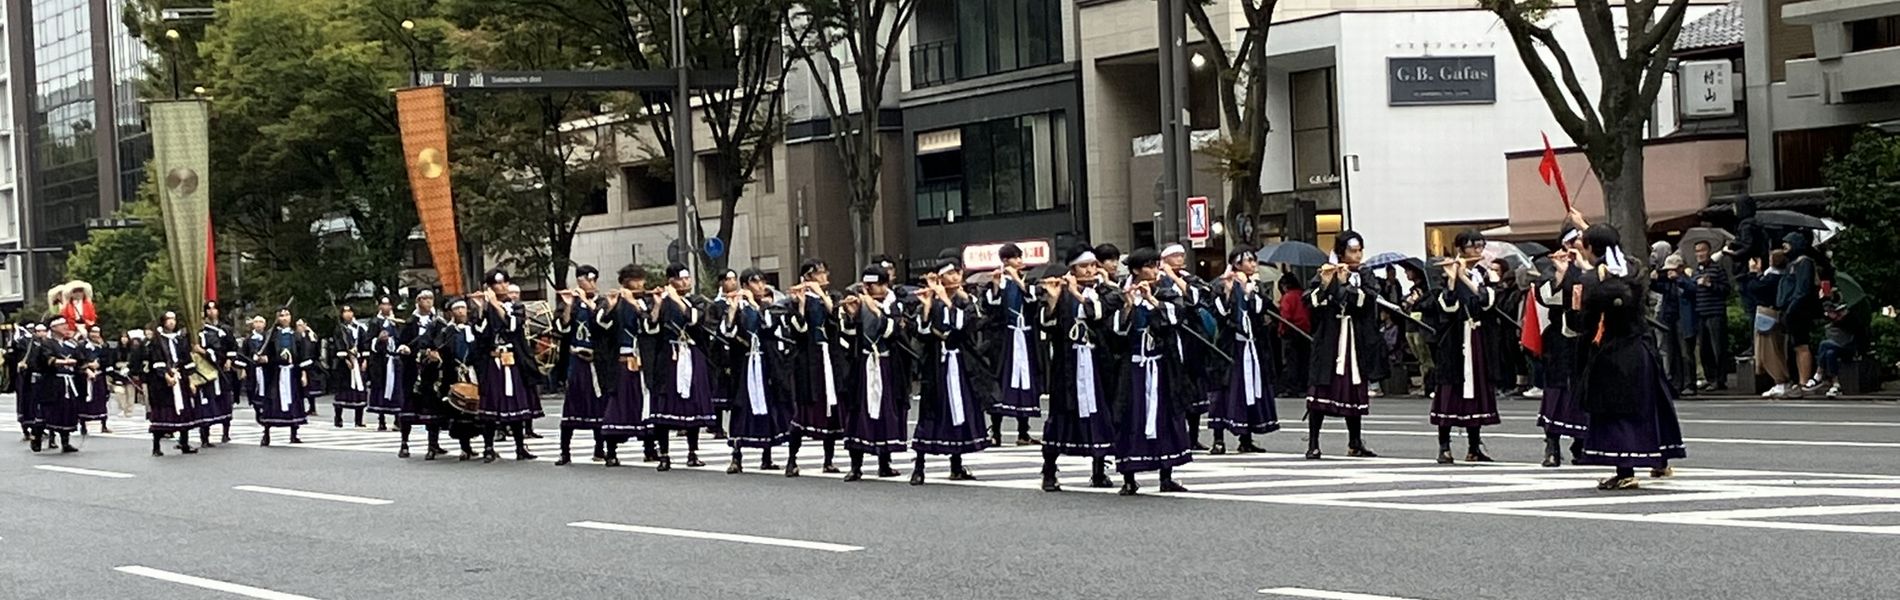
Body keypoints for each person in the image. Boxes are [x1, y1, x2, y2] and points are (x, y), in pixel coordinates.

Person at [1568, 212, 1687, 489]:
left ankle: (1625, 472)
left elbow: (1580, 323)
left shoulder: (1592, 283)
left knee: (1617, 411)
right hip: (1642, 349)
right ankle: (1660, 461)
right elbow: (1614, 252)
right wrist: (1589, 230)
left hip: (1613, 353)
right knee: (1650, 408)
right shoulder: (1633, 271)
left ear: (1587, 249)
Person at [1109, 248, 1192, 495]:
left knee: (1166, 416)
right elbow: (1116, 333)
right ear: (1135, 270)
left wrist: (1154, 301)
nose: (1155, 271)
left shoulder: (1165, 291)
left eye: (1156, 265)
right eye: (1149, 266)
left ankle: (1166, 474)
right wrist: (1128, 305)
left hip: (1161, 365)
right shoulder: (1121, 293)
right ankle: (1128, 476)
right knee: (1130, 416)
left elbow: (1176, 318)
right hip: (1133, 367)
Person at [1038, 245, 1119, 492]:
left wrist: (1079, 292)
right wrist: (1052, 300)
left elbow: (1100, 315)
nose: (1091, 270)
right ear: (1072, 269)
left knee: (1100, 412)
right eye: (1084, 266)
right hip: (1068, 364)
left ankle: (1098, 470)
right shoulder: (1060, 293)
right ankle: (1049, 471)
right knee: (1061, 414)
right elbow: (1046, 325)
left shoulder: (1103, 292)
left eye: (1094, 265)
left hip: (1096, 362)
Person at [1305, 231, 1387, 459]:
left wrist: (1344, 286)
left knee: (1353, 387)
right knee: (1321, 388)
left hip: (1355, 338)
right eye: (1352, 250)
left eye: (1360, 249)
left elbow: (1367, 301)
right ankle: (1313, 443)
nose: (1358, 254)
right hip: (1329, 339)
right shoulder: (1325, 272)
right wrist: (1326, 283)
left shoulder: (1365, 274)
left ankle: (1355, 442)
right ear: (1341, 252)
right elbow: (1311, 302)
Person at [910, 258, 990, 485]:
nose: (956, 277)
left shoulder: (967, 300)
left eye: (958, 272)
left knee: (959, 411)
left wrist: (947, 300)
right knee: (931, 410)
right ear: (940, 277)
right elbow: (921, 333)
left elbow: (969, 325)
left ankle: (956, 465)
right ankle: (919, 466)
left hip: (961, 363)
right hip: (936, 365)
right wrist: (927, 306)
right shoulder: (931, 300)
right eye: (950, 274)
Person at [1422, 256, 1502, 464]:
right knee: (1449, 391)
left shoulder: (1480, 277)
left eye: (1479, 247)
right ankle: (1444, 446)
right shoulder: (1442, 283)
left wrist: (1465, 278)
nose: (1477, 251)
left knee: (1474, 392)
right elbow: (1448, 307)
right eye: (1472, 247)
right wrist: (1451, 279)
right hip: (1453, 344)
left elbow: (1487, 301)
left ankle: (1474, 447)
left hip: (1476, 341)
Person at [839, 265, 911, 482]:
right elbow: (848, 337)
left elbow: (893, 331)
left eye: (873, 286)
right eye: (866, 286)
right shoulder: (859, 303)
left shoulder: (894, 303)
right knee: (858, 410)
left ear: (884, 285)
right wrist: (852, 316)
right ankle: (856, 465)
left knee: (887, 410)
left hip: (887, 362)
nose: (869, 290)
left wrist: (876, 309)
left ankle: (884, 462)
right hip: (863, 363)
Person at [720, 268, 794, 473]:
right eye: (755, 283)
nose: (761, 287)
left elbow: (769, 328)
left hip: (765, 363)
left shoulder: (768, 307)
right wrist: (734, 308)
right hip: (743, 364)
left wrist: (757, 306)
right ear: (745, 286)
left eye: (762, 282)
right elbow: (726, 331)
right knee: (741, 405)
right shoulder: (736, 305)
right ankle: (736, 455)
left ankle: (767, 454)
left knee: (769, 404)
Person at [1206, 247, 1278, 454]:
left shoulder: (1254, 284)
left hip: (1252, 344)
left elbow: (1259, 310)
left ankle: (1246, 437)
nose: (1253, 264)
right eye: (1248, 260)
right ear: (1236, 263)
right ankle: (1218, 439)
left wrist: (1249, 292)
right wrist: (1228, 291)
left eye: (1253, 260)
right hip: (1231, 346)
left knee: (1249, 390)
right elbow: (1220, 314)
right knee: (1224, 390)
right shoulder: (1221, 284)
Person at [647, 263, 718, 470]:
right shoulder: (661, 301)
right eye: (681, 278)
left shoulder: (696, 300)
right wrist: (659, 303)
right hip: (669, 357)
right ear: (671, 280)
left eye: (688, 278)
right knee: (664, 404)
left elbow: (694, 320)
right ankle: (664, 454)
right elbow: (650, 327)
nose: (686, 282)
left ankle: (692, 452)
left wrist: (676, 299)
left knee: (692, 403)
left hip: (691, 353)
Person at [1534, 234, 1589, 467]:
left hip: (1584, 337)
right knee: (1556, 390)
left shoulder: (1591, 266)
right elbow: (1547, 297)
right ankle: (1552, 445)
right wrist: (1561, 272)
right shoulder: (1552, 267)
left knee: (1583, 391)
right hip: (1559, 339)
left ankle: (1581, 444)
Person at [597, 265, 660, 468]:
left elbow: (650, 327)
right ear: (625, 282)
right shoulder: (614, 302)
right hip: (621, 362)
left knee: (646, 405)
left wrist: (653, 304)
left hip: (643, 362)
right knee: (618, 405)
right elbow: (601, 325)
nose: (641, 284)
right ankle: (611, 451)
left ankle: (650, 448)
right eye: (636, 280)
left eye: (642, 279)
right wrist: (613, 305)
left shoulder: (643, 302)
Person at [787, 259, 845, 476]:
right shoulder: (797, 300)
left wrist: (822, 295)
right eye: (820, 273)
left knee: (831, 405)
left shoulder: (830, 298)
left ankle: (828, 460)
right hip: (808, 359)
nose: (824, 276)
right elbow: (798, 330)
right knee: (805, 407)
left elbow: (835, 321)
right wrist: (800, 304)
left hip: (828, 355)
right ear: (809, 276)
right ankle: (792, 460)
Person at [472, 270, 538, 460]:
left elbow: (513, 326)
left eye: (504, 282)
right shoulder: (486, 307)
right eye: (496, 284)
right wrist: (482, 308)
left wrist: (494, 304)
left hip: (513, 359)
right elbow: (480, 332)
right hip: (493, 361)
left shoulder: (516, 307)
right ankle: (488, 447)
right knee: (491, 405)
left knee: (516, 404)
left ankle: (520, 447)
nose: (502, 286)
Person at [983, 243, 1042, 446]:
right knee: (1000, 380)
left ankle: (1023, 432)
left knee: (1025, 380)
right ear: (1006, 261)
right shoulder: (997, 283)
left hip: (1024, 338)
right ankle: (996, 432)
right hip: (1004, 340)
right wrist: (996, 285)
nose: (1019, 261)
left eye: (1019, 257)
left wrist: (1018, 280)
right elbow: (991, 308)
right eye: (1015, 258)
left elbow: (1033, 302)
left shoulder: (1028, 282)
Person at [1156, 243, 1213, 450]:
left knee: (1194, 386)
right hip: (1169, 337)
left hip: (1191, 338)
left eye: (1181, 255)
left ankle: (1193, 436)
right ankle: (1174, 435)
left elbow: (1197, 298)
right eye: (1175, 256)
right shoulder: (1157, 280)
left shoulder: (1189, 278)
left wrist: (1176, 278)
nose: (1180, 259)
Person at [554, 266, 612, 466]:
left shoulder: (604, 302)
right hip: (576, 359)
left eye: (589, 281)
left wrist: (587, 302)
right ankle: (564, 451)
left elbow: (603, 324)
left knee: (598, 404)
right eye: (581, 281)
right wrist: (569, 305)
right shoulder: (572, 302)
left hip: (596, 360)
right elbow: (562, 328)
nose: (586, 285)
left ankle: (600, 448)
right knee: (572, 403)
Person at [396, 290, 450, 459]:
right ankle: (404, 443)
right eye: (424, 299)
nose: (428, 302)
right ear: (418, 301)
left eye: (430, 298)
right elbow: (401, 343)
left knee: (432, 406)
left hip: (432, 370)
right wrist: (404, 348)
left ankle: (433, 444)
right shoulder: (410, 322)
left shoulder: (439, 322)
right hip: (412, 369)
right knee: (409, 405)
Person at [147, 312, 202, 455]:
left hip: (181, 377)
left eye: (174, 319)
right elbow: (156, 361)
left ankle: (184, 442)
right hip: (163, 383)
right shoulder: (157, 340)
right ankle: (156, 446)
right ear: (163, 322)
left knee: (184, 410)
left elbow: (186, 360)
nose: (172, 322)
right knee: (163, 411)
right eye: (168, 319)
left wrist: (191, 381)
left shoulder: (180, 339)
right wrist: (166, 375)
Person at [29, 317, 83, 453]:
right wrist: (63, 362)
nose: (65, 327)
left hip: (68, 382)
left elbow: (80, 359)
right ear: (53, 328)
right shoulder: (47, 343)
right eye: (62, 325)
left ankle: (65, 441)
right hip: (53, 382)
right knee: (48, 410)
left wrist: (88, 367)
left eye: (66, 324)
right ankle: (37, 435)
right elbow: (46, 359)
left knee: (67, 410)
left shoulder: (70, 344)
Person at [257, 308, 311, 446]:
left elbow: (303, 354)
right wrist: (264, 359)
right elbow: (265, 352)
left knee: (294, 400)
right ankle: (266, 434)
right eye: (281, 315)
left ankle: (294, 433)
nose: (285, 318)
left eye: (287, 315)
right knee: (273, 401)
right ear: (277, 318)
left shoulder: (297, 335)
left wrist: (304, 373)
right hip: (276, 373)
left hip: (292, 373)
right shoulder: (271, 335)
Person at [1743, 251, 1793, 396]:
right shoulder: (1784, 277)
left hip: (1766, 313)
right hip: (1776, 314)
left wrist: (1753, 272)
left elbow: (1753, 288)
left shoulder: (1771, 278)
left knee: (1769, 350)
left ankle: (1780, 380)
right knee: (1778, 348)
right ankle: (1781, 380)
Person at [1777, 232, 1822, 397]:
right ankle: (1799, 379)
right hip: (1790, 309)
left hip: (1799, 310)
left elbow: (1802, 289)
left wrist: (1792, 307)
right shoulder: (1791, 264)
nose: (1784, 247)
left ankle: (1804, 382)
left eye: (1787, 243)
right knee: (1795, 346)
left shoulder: (1804, 263)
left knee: (1801, 345)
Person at [1651, 255, 1696, 395]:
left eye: (1672, 269)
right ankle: (1676, 384)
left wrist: (1679, 278)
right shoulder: (1668, 283)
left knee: (1685, 353)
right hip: (1669, 319)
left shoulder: (1686, 279)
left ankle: (1690, 383)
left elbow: (1693, 289)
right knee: (1672, 353)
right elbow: (1657, 287)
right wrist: (1654, 279)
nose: (1669, 272)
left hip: (1683, 320)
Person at [1690, 241, 1732, 391]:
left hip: (1715, 312)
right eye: (1697, 251)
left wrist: (1710, 285)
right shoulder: (1696, 271)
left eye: (1702, 250)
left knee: (1718, 347)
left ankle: (1720, 380)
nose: (1699, 254)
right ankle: (1710, 377)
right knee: (1704, 349)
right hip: (1700, 312)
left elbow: (1726, 289)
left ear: (1709, 251)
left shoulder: (1717, 269)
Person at [706, 269, 742, 441]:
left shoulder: (742, 301)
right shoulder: (715, 305)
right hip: (719, 353)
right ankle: (718, 426)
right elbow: (711, 327)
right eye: (728, 279)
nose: (732, 282)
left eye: (734, 279)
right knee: (719, 387)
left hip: (737, 348)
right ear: (721, 282)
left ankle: (737, 425)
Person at [197, 302, 237, 443]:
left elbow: (232, 347)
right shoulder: (201, 331)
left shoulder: (225, 329)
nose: (212, 311)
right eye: (209, 309)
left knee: (226, 399)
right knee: (207, 401)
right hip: (207, 369)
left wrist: (229, 360)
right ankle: (205, 436)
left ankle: (226, 432)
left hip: (223, 368)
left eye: (214, 308)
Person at [365, 298, 405, 429]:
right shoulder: (375, 322)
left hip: (394, 360)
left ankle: (397, 418)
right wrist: (378, 340)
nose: (386, 307)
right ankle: (381, 419)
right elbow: (368, 342)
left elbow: (402, 338)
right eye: (383, 304)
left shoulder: (396, 323)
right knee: (380, 388)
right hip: (380, 362)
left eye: (388, 304)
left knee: (397, 389)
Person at [1278, 274, 1313, 396]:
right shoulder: (1303, 294)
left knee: (1291, 361)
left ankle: (1292, 387)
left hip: (1292, 331)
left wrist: (1281, 331)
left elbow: (1285, 317)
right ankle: (1304, 386)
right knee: (1304, 360)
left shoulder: (1288, 297)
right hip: (1305, 331)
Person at [78, 327, 113, 435]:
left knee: (102, 399)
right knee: (85, 400)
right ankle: (83, 425)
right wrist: (88, 366)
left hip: (99, 375)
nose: (95, 334)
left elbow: (108, 359)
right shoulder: (82, 345)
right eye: (92, 332)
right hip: (86, 376)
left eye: (97, 332)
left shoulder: (104, 346)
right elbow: (79, 359)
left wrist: (100, 363)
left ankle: (104, 424)